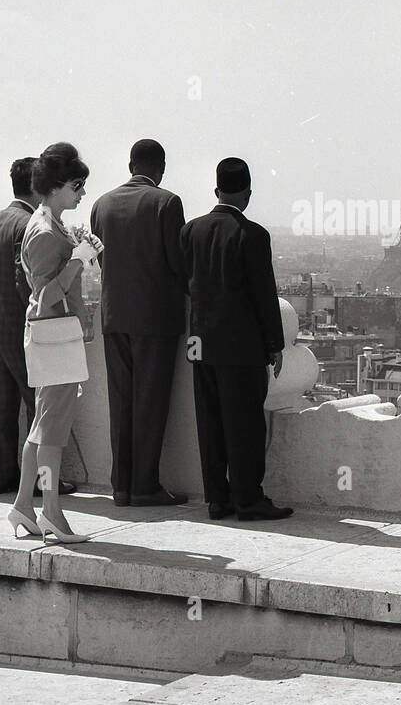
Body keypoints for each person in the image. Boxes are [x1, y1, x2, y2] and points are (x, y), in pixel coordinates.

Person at [179, 157, 292, 521]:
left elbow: (186, 284)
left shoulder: (191, 231)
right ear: (247, 194)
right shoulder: (253, 236)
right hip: (242, 347)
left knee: (210, 422)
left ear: (216, 191)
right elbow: (263, 294)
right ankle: (247, 498)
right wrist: (274, 343)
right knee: (244, 423)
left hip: (201, 344)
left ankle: (218, 498)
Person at [6, 143, 100, 543]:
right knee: (53, 433)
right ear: (57, 186)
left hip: (50, 336)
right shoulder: (45, 230)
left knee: (40, 428)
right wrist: (79, 258)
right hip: (54, 336)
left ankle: (24, 507)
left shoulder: (49, 222)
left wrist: (77, 250)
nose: (81, 193)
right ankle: (51, 514)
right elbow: (45, 295)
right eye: (77, 186)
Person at [0, 158, 79, 499]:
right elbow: (28, 283)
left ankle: (3, 477)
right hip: (21, 323)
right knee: (39, 405)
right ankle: (42, 484)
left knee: (2, 401)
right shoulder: (30, 223)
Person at [89, 138, 189, 508]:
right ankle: (145, 485)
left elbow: (101, 261)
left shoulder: (101, 204)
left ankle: (121, 485)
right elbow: (178, 263)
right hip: (155, 318)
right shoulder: (166, 202)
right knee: (150, 401)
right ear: (160, 168)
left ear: (130, 164)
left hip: (115, 316)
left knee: (122, 403)